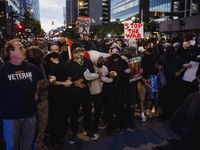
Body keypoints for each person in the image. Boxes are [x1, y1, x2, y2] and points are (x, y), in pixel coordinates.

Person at [0, 39, 44, 150]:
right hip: (10, 116)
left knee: (28, 145)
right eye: (21, 48)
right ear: (11, 52)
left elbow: (42, 80)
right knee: (12, 145)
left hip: (29, 113)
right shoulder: (3, 70)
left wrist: (36, 92)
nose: (24, 50)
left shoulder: (31, 67)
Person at [65, 43, 98, 145]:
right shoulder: (68, 64)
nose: (80, 53)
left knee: (87, 112)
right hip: (73, 92)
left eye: (82, 50)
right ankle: (74, 133)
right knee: (74, 113)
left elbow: (92, 74)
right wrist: (76, 85)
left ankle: (88, 130)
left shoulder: (87, 61)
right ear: (73, 52)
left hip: (85, 91)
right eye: (78, 51)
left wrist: (82, 80)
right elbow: (67, 80)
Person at [26, 46, 56, 150]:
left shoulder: (25, 66)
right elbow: (41, 84)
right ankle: (38, 146)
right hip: (40, 101)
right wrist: (50, 81)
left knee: (31, 127)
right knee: (40, 126)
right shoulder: (37, 67)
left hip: (30, 100)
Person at [44, 43, 71, 149]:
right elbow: (49, 81)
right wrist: (63, 83)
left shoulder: (64, 61)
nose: (54, 51)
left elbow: (67, 74)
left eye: (56, 49)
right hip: (53, 95)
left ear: (60, 51)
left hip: (64, 94)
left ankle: (61, 137)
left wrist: (68, 79)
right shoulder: (46, 64)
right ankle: (54, 141)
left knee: (63, 118)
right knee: (54, 118)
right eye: (52, 50)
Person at [84, 51, 113, 138]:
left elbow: (109, 80)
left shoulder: (104, 68)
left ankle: (95, 129)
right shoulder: (89, 67)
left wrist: (101, 77)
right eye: (99, 60)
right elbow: (86, 76)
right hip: (88, 93)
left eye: (101, 60)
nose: (101, 62)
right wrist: (96, 75)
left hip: (98, 93)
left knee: (97, 112)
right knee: (87, 112)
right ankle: (87, 129)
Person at [158, 46, 192, 121]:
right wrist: (159, 67)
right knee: (166, 99)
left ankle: (169, 115)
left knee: (171, 100)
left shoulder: (176, 58)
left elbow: (185, 64)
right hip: (165, 82)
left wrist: (179, 71)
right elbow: (157, 65)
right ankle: (166, 115)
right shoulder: (163, 58)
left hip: (171, 82)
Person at [105, 46, 129, 131]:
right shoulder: (107, 62)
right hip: (109, 89)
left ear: (119, 53)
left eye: (116, 52)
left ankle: (118, 125)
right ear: (110, 53)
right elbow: (103, 75)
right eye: (113, 52)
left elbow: (127, 75)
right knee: (109, 108)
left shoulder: (124, 62)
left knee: (119, 107)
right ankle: (110, 128)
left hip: (120, 88)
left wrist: (117, 75)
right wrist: (109, 75)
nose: (115, 53)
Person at [176, 32, 200, 107]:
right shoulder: (180, 49)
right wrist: (183, 65)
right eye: (192, 39)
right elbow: (177, 61)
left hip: (193, 74)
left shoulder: (196, 49)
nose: (194, 41)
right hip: (183, 75)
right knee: (182, 93)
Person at [137, 39, 158, 124]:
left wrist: (157, 67)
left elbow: (155, 65)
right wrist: (142, 78)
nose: (151, 47)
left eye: (152, 46)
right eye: (149, 46)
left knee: (150, 97)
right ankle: (142, 115)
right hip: (142, 79)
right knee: (141, 98)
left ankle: (147, 112)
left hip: (151, 78)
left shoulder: (154, 55)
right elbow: (137, 69)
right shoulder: (140, 56)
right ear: (145, 47)